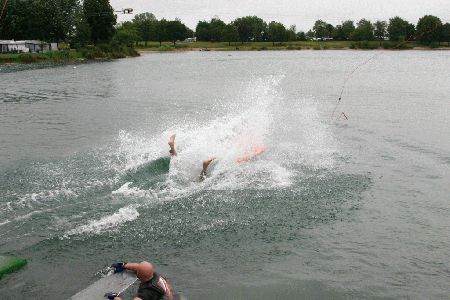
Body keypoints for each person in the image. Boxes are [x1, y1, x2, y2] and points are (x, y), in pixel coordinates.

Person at [106, 261, 174, 300]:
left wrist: (116, 298)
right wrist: (124, 265)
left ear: (139, 276)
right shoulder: (155, 274)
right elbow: (139, 267)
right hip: (169, 295)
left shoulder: (147, 291)